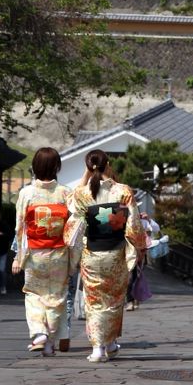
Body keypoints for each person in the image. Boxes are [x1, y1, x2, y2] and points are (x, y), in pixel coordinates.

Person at [68, 150, 147, 362]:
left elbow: (73, 221)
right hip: (116, 252)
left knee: (94, 300)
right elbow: (133, 225)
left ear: (88, 167)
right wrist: (140, 246)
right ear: (108, 164)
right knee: (114, 299)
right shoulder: (123, 191)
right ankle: (109, 343)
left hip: (92, 252)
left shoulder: (82, 194)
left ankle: (99, 347)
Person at [11, 147, 78, 357]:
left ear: (34, 167)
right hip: (59, 253)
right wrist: (74, 259)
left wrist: (18, 257)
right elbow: (74, 227)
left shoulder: (26, 193)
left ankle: (39, 334)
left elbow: (20, 228)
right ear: (57, 166)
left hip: (35, 254)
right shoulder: (66, 193)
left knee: (34, 294)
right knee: (57, 298)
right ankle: (48, 340)